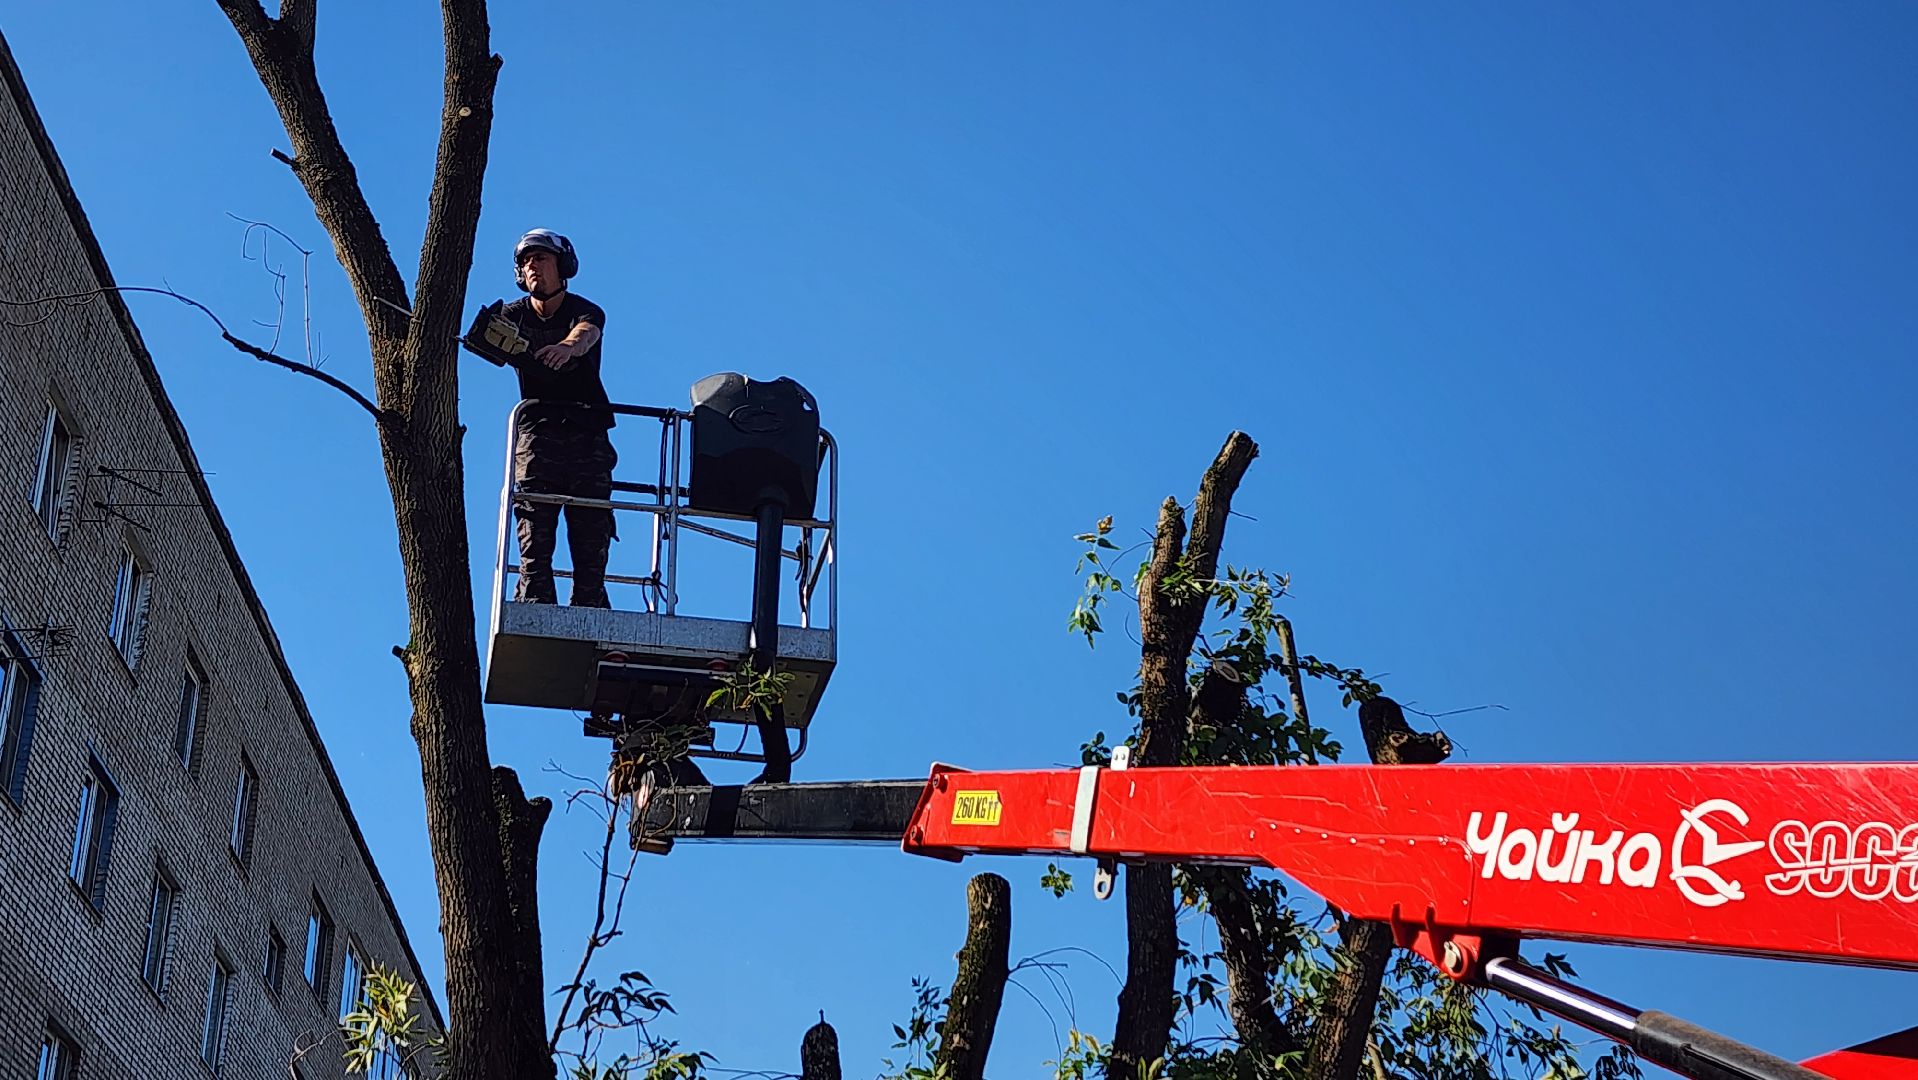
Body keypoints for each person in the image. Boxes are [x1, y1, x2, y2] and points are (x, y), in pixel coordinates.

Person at [498, 229, 616, 607]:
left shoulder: (585, 311)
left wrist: (568, 347)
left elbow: (586, 333)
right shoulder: (512, 315)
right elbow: (488, 338)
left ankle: (591, 607)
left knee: (591, 528)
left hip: (587, 431)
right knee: (533, 522)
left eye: (542, 259)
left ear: (562, 266)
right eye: (527, 261)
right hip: (536, 433)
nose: (533, 266)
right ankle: (534, 603)